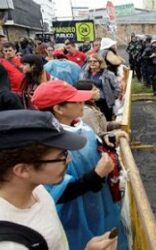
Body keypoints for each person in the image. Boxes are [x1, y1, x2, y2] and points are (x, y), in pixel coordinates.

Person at [0, 110, 118, 250]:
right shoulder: (11, 244)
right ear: (22, 170)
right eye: (62, 155)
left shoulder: (37, 190)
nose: (69, 159)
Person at [31, 80, 127, 250]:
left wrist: (104, 140)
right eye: (76, 100)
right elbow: (54, 194)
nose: (82, 102)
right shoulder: (47, 144)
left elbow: (91, 146)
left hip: (100, 205)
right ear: (59, 109)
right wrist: (95, 175)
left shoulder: (78, 125)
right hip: (78, 218)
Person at [80, 53, 120, 121]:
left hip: (104, 102)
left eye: (95, 61)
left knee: (106, 121)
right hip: (89, 102)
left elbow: (116, 87)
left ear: (100, 62)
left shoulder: (108, 74)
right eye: (90, 61)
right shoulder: (84, 74)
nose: (92, 63)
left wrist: (112, 98)